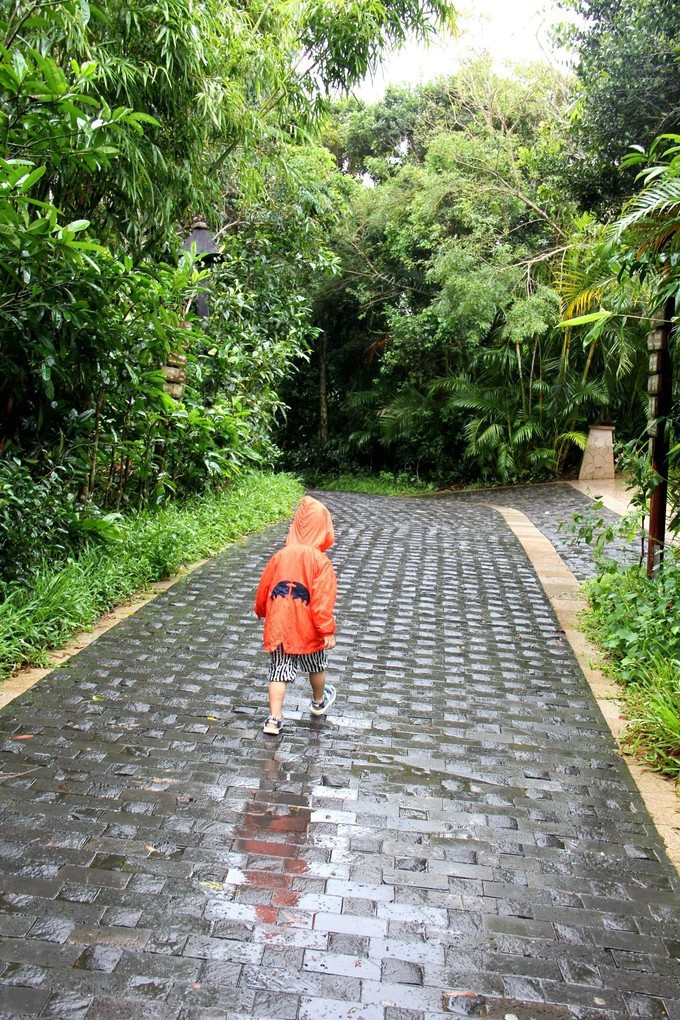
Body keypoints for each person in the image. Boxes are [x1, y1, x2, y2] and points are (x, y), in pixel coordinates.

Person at [254, 495, 337, 735]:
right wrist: (327, 629)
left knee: (278, 672)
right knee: (317, 665)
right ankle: (319, 702)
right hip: (309, 630)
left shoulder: (280, 556)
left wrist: (261, 610)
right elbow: (322, 601)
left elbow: (265, 588)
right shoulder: (320, 562)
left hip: (280, 627)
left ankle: (274, 719)